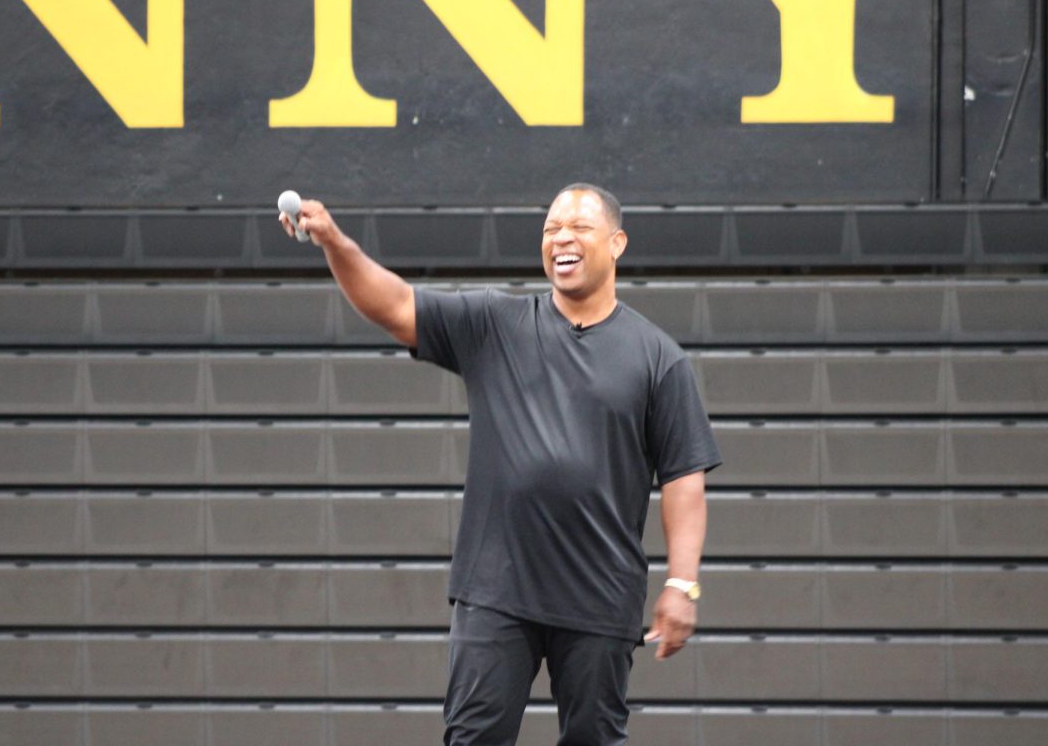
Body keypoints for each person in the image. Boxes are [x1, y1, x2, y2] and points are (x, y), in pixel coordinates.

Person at [280, 184, 720, 745]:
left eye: (579, 228)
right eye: (550, 229)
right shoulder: (495, 324)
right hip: (496, 590)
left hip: (599, 595)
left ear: (616, 244)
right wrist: (337, 244)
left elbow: (684, 479)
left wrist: (683, 584)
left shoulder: (659, 357)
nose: (561, 237)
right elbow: (393, 306)